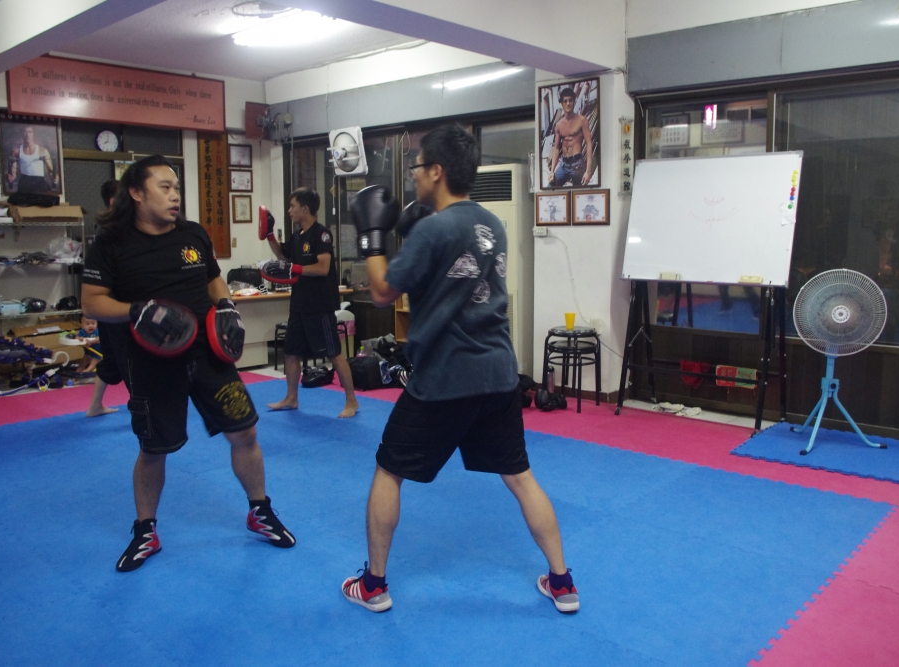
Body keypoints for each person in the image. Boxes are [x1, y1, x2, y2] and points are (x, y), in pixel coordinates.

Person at [341, 124, 579, 614]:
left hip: (445, 377)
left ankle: (373, 585)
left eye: (416, 166)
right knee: (520, 476)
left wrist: (372, 238)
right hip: (498, 375)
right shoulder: (493, 224)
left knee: (389, 471)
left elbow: (382, 291)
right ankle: (562, 582)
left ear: (436, 171)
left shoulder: (433, 229)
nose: (413, 175)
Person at [81, 155, 295, 573]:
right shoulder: (111, 242)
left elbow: (213, 278)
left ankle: (259, 510)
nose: (175, 195)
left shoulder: (193, 234)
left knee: (245, 431)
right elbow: (92, 302)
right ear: (136, 192)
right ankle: (146, 530)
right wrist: (135, 310)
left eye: (177, 187)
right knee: (154, 448)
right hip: (152, 360)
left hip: (208, 354)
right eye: (164, 187)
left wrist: (226, 304)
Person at [262, 187, 359, 419]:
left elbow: (322, 268)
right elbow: (283, 257)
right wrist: (269, 235)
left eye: (292, 206)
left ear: (305, 209)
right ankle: (291, 397)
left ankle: (352, 401)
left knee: (334, 353)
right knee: (291, 352)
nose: (289, 211)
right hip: (299, 303)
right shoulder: (297, 235)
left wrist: (295, 268)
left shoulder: (321, 234)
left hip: (319, 305)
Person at [86, 180, 125, 418]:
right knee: (127, 357)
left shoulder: (109, 228)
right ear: (113, 201)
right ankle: (146, 407)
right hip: (114, 305)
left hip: (111, 304)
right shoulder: (111, 231)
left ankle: (95, 406)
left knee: (111, 358)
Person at [548, 87, 593, 187]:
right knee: (549, 188)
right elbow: (556, 148)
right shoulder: (559, 125)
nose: (568, 103)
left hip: (577, 164)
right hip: (563, 165)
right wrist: (552, 171)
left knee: (580, 193)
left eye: (570, 100)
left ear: (574, 101)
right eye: (565, 101)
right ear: (561, 103)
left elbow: (589, 143)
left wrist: (588, 171)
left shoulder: (582, 120)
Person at [6, 125, 59, 193]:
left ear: (33, 134)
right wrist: (10, 177)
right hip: (24, 182)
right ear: (22, 134)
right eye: (25, 132)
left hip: (39, 182)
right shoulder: (16, 152)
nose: (27, 135)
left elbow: (50, 171)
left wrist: (54, 178)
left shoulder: (43, 151)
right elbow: (13, 173)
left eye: (30, 132)